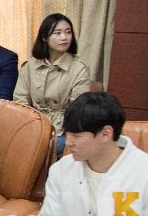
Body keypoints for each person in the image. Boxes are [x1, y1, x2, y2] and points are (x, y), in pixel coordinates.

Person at [14, 12, 91, 147]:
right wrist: (33, 124)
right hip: (33, 124)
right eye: (58, 33)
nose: (64, 37)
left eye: (68, 32)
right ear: (44, 37)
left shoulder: (79, 68)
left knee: (50, 146)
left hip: (63, 128)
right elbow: (20, 99)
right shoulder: (30, 66)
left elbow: (78, 108)